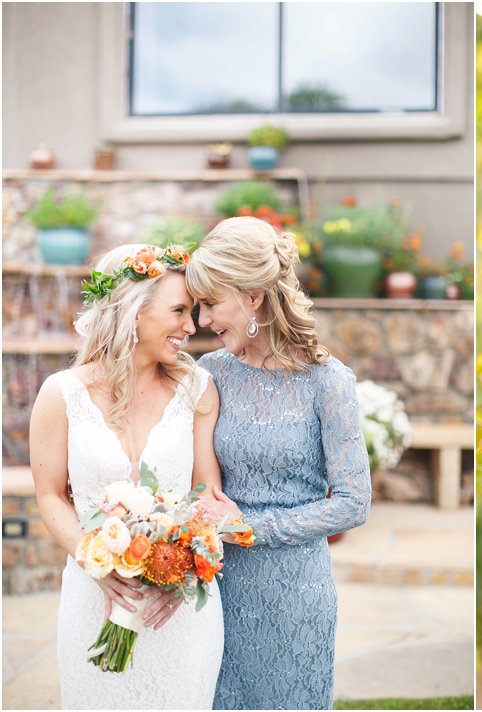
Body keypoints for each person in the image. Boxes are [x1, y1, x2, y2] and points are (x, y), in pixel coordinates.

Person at [185, 216, 371, 710]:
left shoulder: (329, 383)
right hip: (218, 586)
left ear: (253, 297)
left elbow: (354, 504)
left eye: (211, 303)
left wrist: (250, 526)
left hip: (295, 592)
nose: (203, 321)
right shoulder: (210, 374)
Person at [30, 244, 225, 709]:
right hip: (92, 597)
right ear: (134, 312)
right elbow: (51, 496)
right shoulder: (62, 394)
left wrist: (184, 573)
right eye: (179, 310)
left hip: (178, 610)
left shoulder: (197, 389)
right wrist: (91, 559)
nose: (191, 326)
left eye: (194, 312)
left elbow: (206, 494)